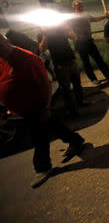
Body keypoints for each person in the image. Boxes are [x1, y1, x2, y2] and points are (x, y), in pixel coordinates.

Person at [0, 33, 85, 188]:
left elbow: (45, 83)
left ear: (8, 42)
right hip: (20, 109)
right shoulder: (2, 60)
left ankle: (42, 168)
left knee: (38, 136)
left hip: (36, 104)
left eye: (0, 45)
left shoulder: (27, 59)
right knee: (51, 125)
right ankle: (76, 141)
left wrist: (46, 106)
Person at [38, 25, 84, 116]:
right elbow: (42, 49)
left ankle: (80, 103)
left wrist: (66, 27)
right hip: (60, 64)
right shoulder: (42, 34)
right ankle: (72, 110)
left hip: (71, 60)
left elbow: (74, 37)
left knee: (77, 84)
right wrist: (45, 34)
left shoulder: (61, 29)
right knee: (66, 88)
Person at [70, 0, 109, 85]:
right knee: (86, 62)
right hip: (80, 43)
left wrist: (104, 17)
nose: (81, 7)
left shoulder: (85, 15)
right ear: (74, 7)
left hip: (89, 41)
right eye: (78, 6)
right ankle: (93, 79)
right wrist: (76, 39)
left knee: (99, 59)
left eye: (81, 5)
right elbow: (68, 30)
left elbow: (94, 19)